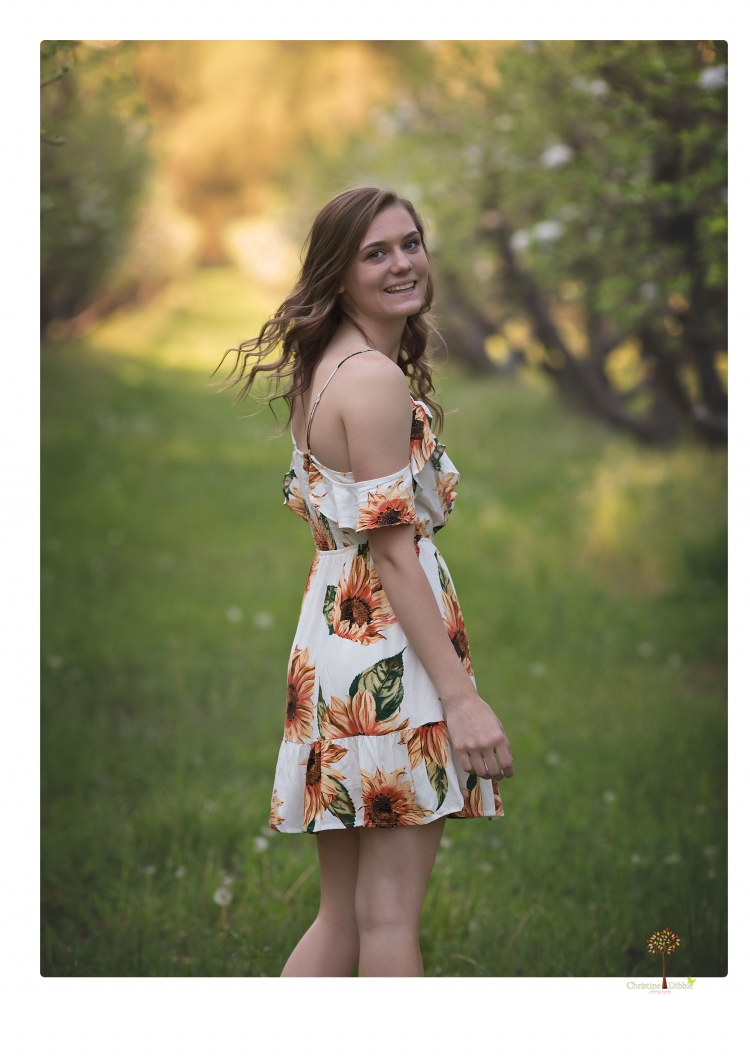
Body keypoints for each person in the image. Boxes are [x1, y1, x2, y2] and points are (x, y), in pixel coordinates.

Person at [224, 185, 514, 977]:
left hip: (336, 651)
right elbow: (391, 554)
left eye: (410, 243)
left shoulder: (329, 366)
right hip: (387, 661)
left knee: (345, 919)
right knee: (387, 922)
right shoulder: (376, 382)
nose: (401, 263)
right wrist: (462, 701)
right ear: (338, 273)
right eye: (375, 252)